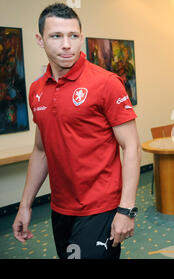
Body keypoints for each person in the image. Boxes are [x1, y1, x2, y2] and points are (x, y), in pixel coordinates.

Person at [12, 3, 141, 259]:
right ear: (40, 40)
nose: (66, 44)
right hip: (61, 207)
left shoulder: (106, 83)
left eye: (73, 35)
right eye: (56, 36)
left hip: (100, 207)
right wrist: (25, 205)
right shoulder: (37, 90)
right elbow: (40, 150)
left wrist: (126, 210)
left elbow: (132, 147)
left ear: (81, 37)